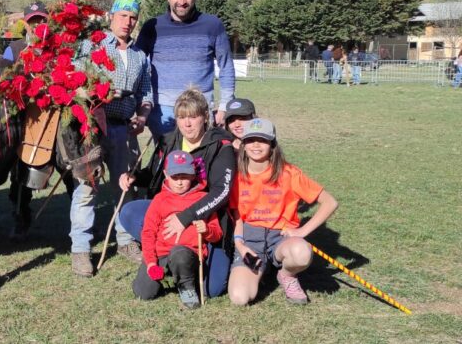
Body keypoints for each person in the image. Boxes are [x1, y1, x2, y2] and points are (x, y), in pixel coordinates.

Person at [118, 87, 236, 298]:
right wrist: (134, 176)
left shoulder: (221, 145)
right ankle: (162, 253)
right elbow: (155, 174)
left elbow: (222, 191)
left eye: (193, 117)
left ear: (205, 117)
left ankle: (186, 257)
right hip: (169, 210)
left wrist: (186, 217)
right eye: (182, 117)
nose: (187, 124)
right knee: (128, 212)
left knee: (212, 289)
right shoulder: (168, 140)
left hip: (207, 220)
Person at [70, 0, 153, 276]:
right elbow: (74, 83)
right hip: (92, 129)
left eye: (132, 17)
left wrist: (142, 115)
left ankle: (126, 240)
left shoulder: (140, 56)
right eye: (123, 16)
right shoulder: (90, 46)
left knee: (124, 187)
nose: (127, 22)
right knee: (86, 189)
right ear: (111, 16)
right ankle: (81, 250)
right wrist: (97, 92)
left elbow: (146, 92)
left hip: (123, 130)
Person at [228, 118, 339, 306]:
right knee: (240, 298)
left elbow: (330, 202)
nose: (256, 145)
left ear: (272, 144)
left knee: (301, 253)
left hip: (280, 237)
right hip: (250, 238)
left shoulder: (289, 173)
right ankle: (263, 268)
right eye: (251, 139)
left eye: (262, 140)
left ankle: (286, 275)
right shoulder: (235, 175)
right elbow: (236, 215)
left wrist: (301, 232)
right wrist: (241, 246)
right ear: (243, 144)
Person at [135, 0, 235, 136]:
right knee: (167, 160)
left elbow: (226, 67)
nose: (182, 1)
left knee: (200, 161)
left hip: (200, 109)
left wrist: (225, 106)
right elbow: (136, 64)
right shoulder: (152, 26)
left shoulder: (213, 25)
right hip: (163, 111)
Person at [132, 151, 222, 309]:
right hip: (161, 256)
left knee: (180, 253)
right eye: (175, 177)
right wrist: (151, 263)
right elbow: (148, 233)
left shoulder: (203, 199)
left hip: (188, 256)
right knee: (143, 292)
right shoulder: (159, 200)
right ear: (166, 175)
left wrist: (206, 230)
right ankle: (169, 278)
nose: (179, 182)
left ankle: (186, 286)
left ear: (193, 175)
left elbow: (217, 234)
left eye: (184, 177)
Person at [1, 1, 50, 241]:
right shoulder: (14, 49)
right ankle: (20, 213)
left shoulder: (57, 48)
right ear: (27, 24)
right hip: (23, 116)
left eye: (42, 21)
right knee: (20, 168)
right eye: (33, 22)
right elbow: (3, 80)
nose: (38, 26)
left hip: (51, 115)